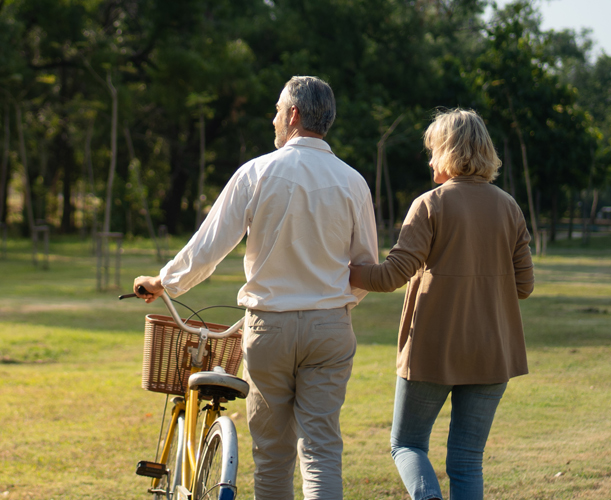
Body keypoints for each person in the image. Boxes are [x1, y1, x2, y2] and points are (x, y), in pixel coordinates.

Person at [133, 76, 379, 500]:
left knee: (273, 456)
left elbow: (207, 248)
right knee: (321, 452)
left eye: (278, 110)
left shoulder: (258, 171)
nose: (273, 119)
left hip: (270, 329)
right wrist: (333, 304)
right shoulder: (353, 181)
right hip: (329, 329)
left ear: (294, 115)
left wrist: (163, 283)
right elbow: (365, 268)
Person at [348, 108, 534, 500]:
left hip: (432, 350)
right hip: (492, 352)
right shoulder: (510, 207)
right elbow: (525, 286)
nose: (430, 159)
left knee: (407, 445)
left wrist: (342, 271)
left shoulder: (429, 205)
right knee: (467, 460)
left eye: (432, 150)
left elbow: (390, 276)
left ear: (448, 152)